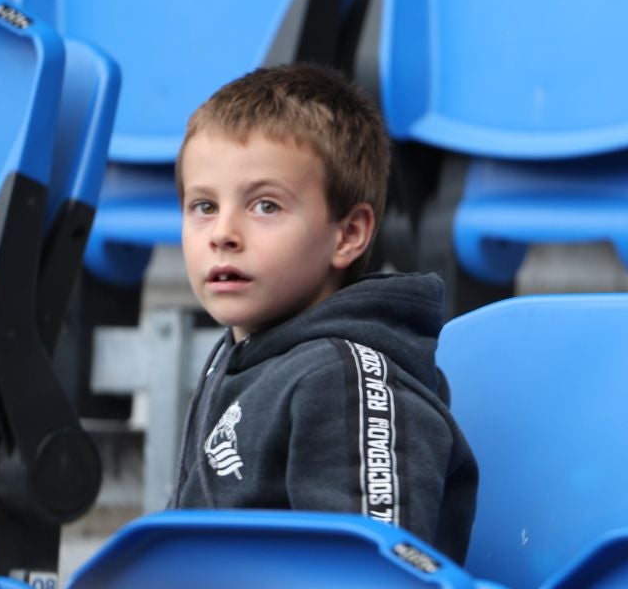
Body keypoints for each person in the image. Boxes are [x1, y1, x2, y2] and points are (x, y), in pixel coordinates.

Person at [172, 65, 478, 560]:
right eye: (203, 206)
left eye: (265, 206)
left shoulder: (344, 379)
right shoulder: (234, 355)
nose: (222, 233)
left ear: (348, 235)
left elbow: (374, 569)